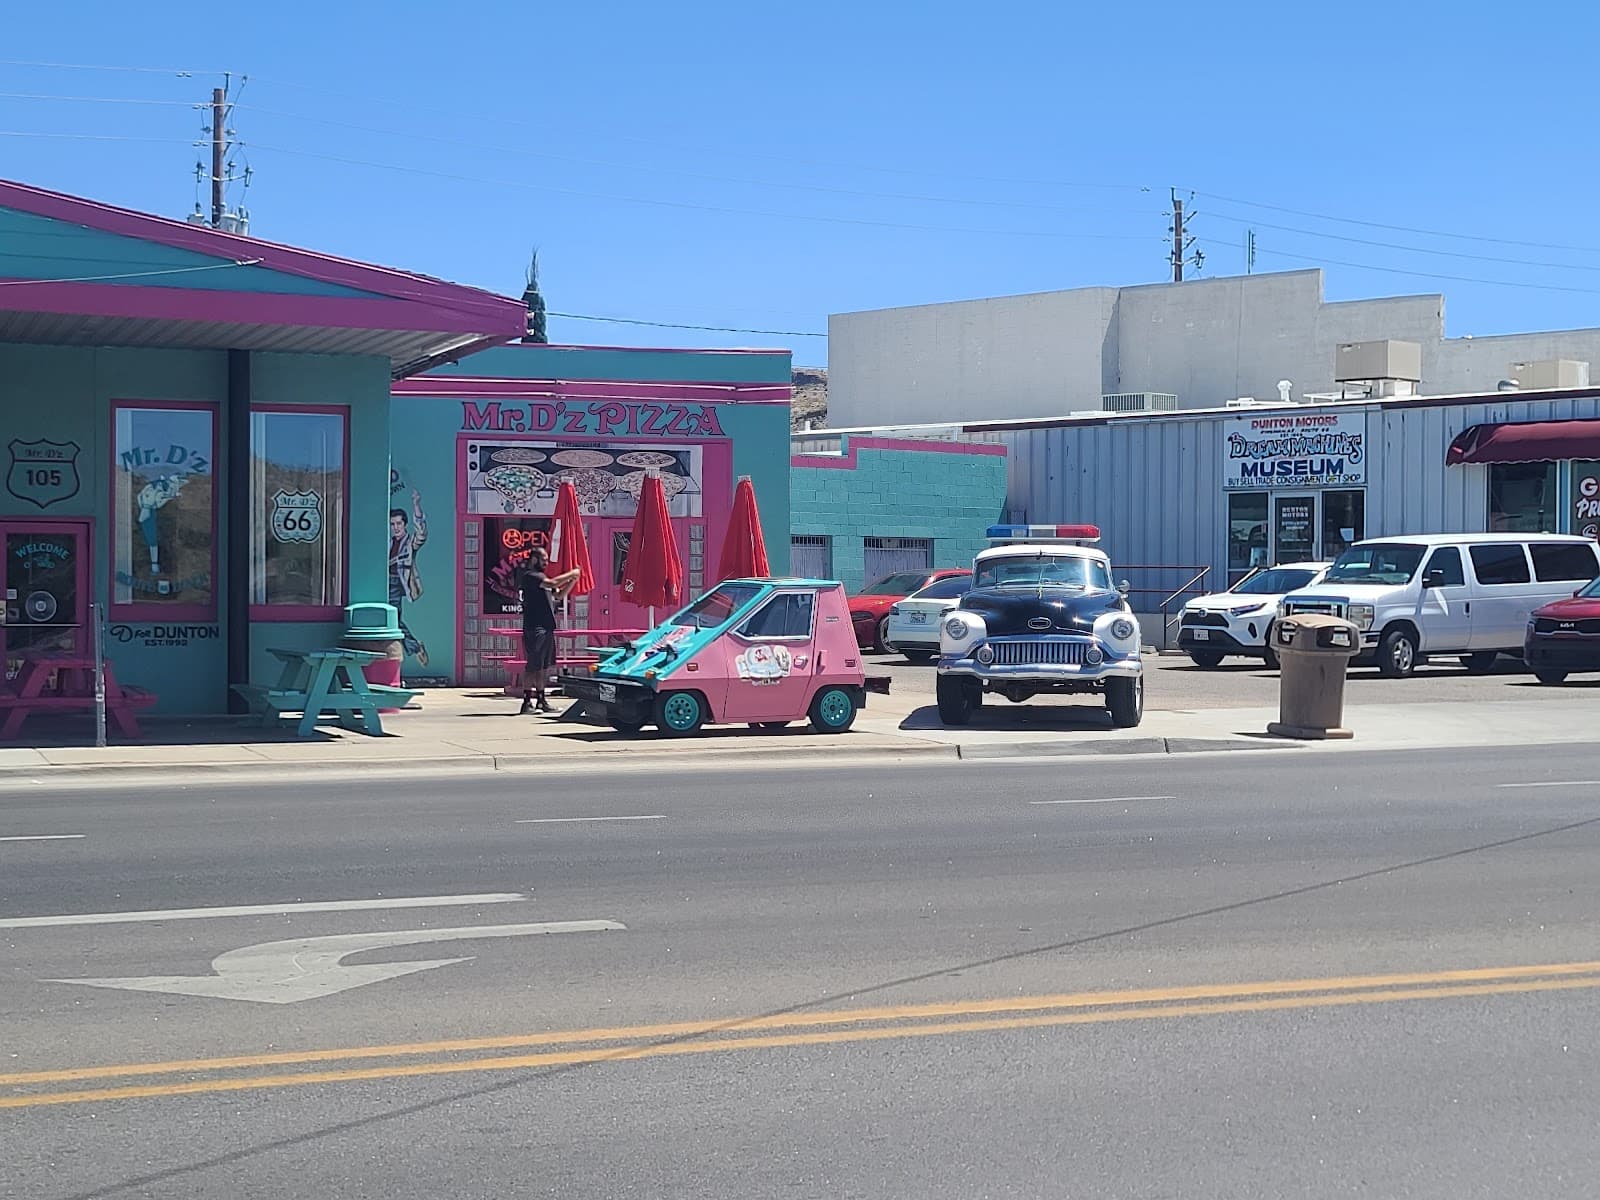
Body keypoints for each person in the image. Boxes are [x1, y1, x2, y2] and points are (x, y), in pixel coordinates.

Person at [520, 548, 581, 714]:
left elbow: (559, 595)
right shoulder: (531, 576)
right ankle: (526, 702)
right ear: (534, 559)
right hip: (535, 628)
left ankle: (541, 700)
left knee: (543, 666)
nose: (546, 563)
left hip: (547, 627)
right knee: (532, 666)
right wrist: (571, 572)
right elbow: (553, 583)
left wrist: (574, 580)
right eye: (543, 559)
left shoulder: (543, 579)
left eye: (547, 559)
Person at [389, 491, 429, 667]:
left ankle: (414, 648)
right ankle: (414, 647)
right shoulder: (387, 541)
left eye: (399, 523)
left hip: (398, 582)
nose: (396, 527)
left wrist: (416, 506)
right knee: (392, 621)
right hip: (382, 582)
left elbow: (422, 534)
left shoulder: (410, 541)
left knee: (393, 620)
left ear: (404, 524)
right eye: (392, 524)